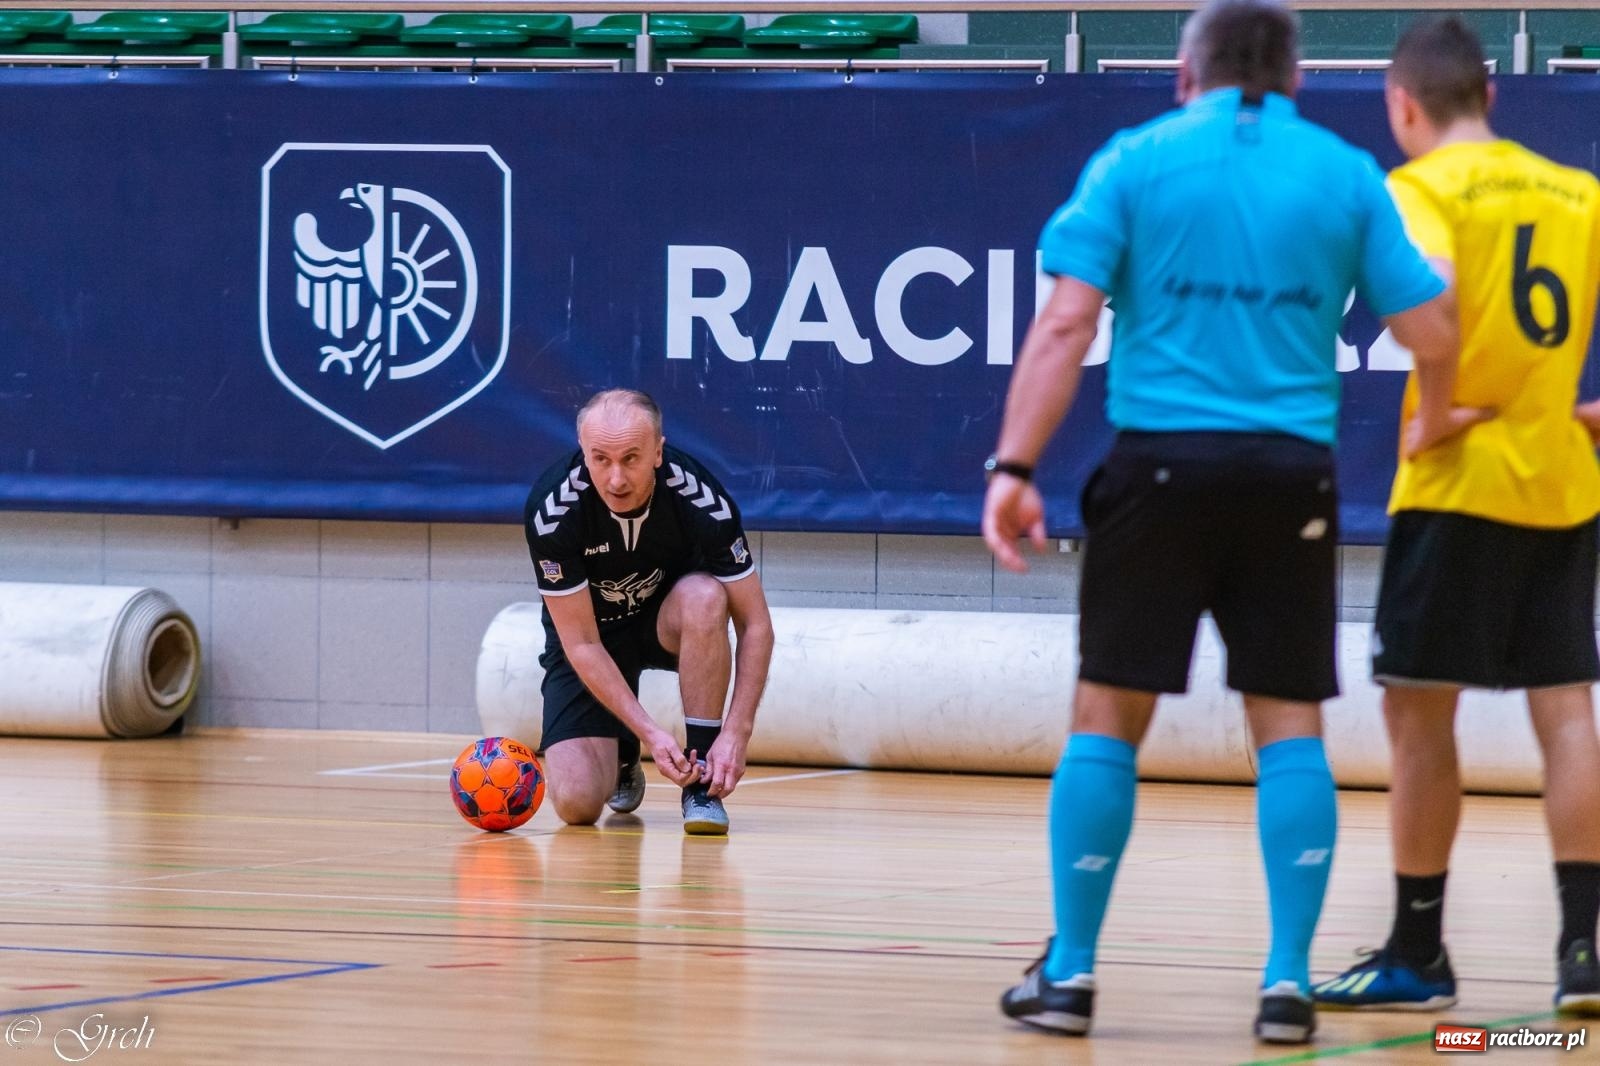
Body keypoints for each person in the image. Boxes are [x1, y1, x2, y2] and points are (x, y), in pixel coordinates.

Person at [980, 0, 1465, 1045]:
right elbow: (1429, 330)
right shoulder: (1344, 175)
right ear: (1296, 78)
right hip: (1289, 476)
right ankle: (1286, 985)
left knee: (1106, 716)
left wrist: (1014, 465)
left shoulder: (1134, 157)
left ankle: (1067, 975)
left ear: (1180, 75)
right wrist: (1447, 353)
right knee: (1286, 721)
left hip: (1156, 467)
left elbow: (1065, 321)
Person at [1313, 16, 1600, 1017]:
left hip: (1455, 483)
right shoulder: (1577, 192)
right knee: (1566, 714)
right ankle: (1582, 952)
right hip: (1563, 481)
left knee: (1417, 713)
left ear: (1401, 104)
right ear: (1492, 95)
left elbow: (1425, 298)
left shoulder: (1417, 189)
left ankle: (1418, 949)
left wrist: (1434, 412)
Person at [523, 388, 774, 836]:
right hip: (593, 639)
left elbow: (755, 626)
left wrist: (737, 733)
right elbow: (580, 643)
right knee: (576, 804)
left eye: (631, 458)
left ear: (658, 452)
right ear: (582, 451)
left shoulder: (699, 497)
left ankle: (701, 784)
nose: (616, 479)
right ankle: (624, 751)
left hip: (666, 622)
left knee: (704, 595)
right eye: (600, 459)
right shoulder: (553, 511)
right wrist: (652, 735)